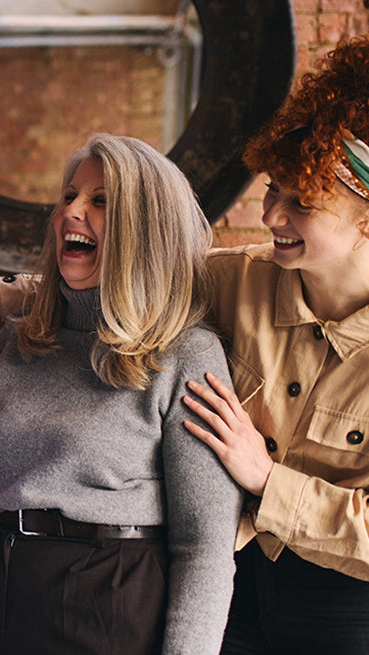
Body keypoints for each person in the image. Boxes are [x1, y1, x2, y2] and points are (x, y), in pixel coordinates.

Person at [0, 134, 242, 655]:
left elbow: (204, 547)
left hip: (109, 609)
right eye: (69, 196)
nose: (70, 212)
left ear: (144, 228)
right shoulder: (20, 338)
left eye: (100, 201)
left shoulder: (187, 354)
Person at [179, 36, 369, 654]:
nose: (270, 217)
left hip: (346, 607)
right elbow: (132, 289)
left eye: (302, 203)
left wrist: (266, 479)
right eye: (272, 190)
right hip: (230, 578)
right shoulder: (240, 279)